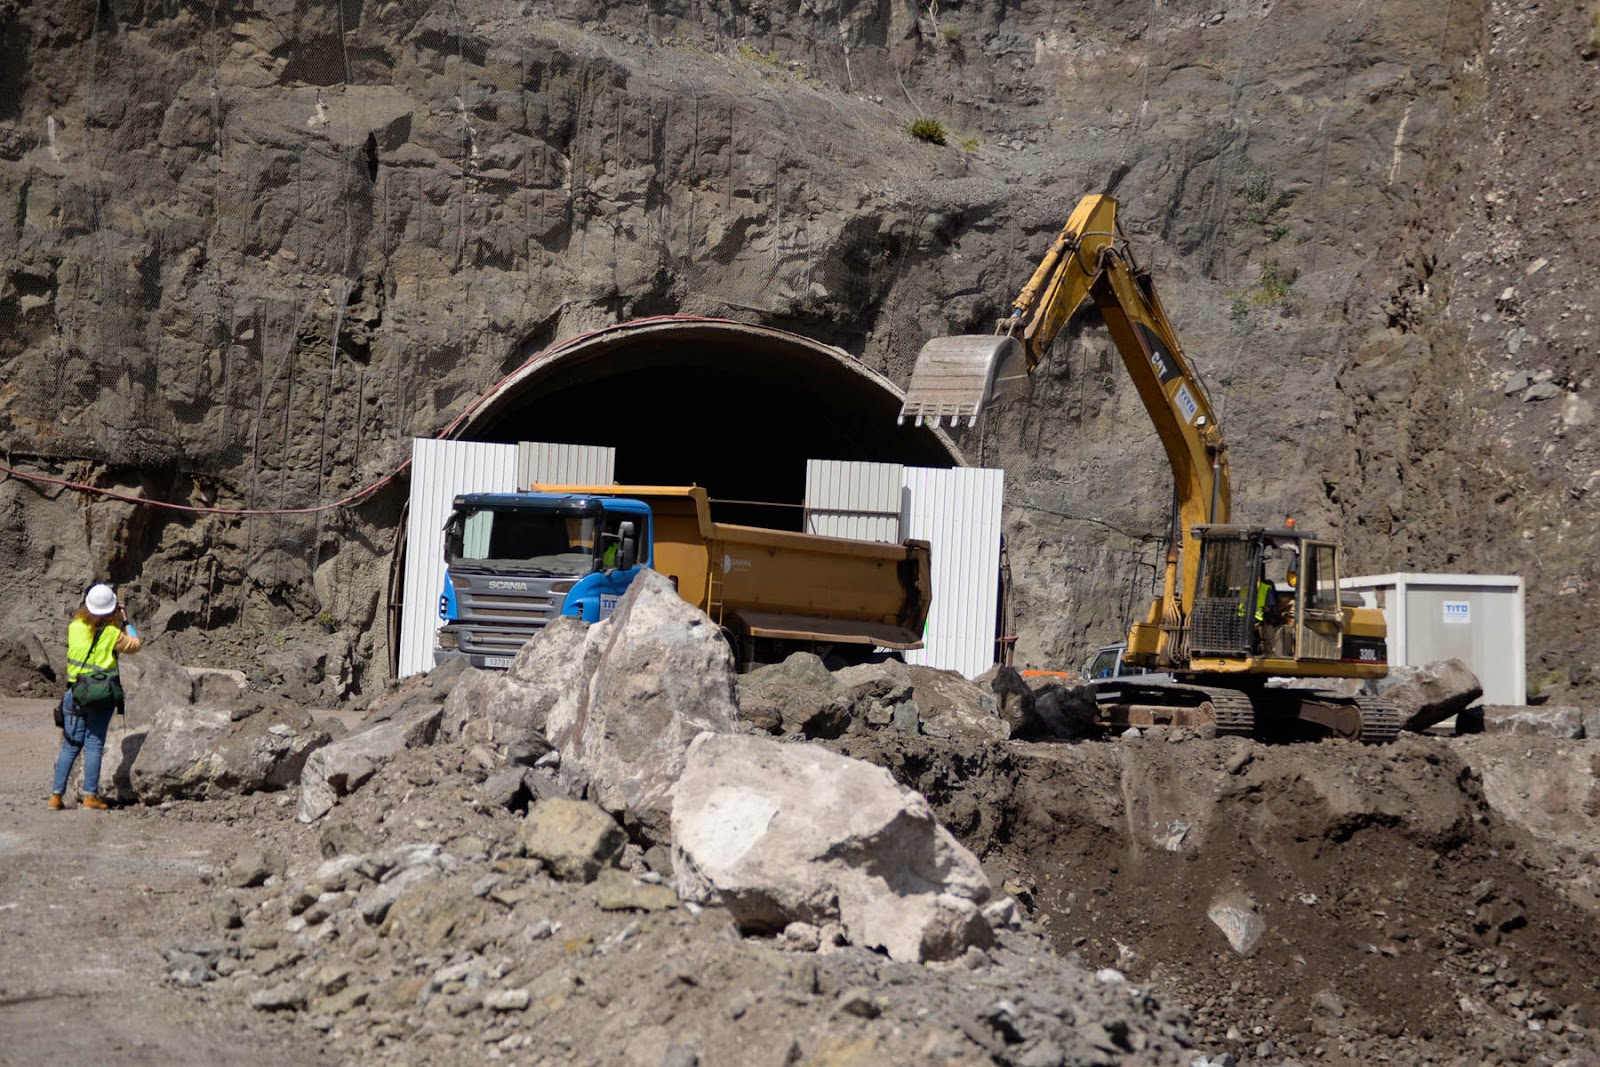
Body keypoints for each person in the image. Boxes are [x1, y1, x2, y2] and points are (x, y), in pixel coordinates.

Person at [50, 583, 142, 811]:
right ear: (111, 609)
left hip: (75, 693)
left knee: (70, 746)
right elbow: (136, 645)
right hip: (101, 696)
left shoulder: (74, 626)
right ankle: (90, 796)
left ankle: (55, 797)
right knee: (93, 745)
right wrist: (126, 620)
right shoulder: (112, 634)